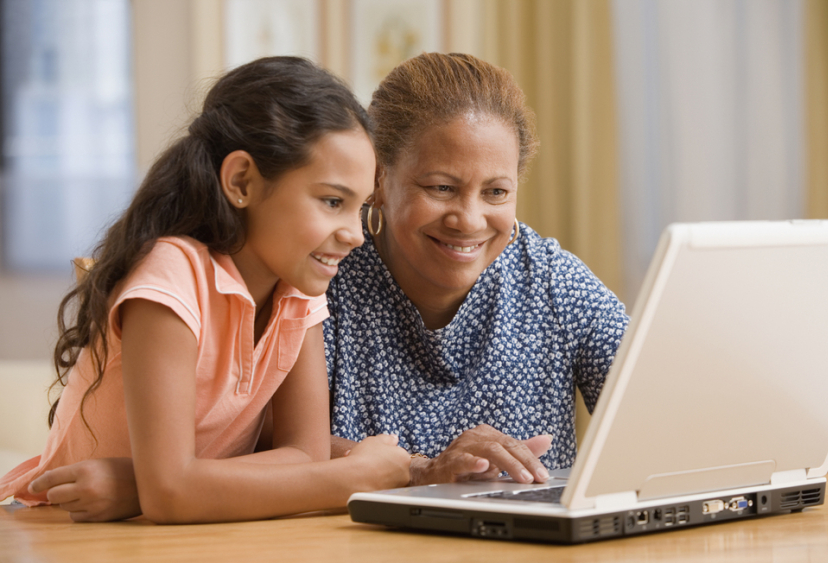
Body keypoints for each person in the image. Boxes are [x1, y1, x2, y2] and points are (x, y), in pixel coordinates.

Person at [0, 56, 409, 523]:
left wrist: (141, 485)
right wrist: (353, 478)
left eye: (360, 208)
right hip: (67, 528)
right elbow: (174, 493)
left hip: (185, 528)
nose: (355, 234)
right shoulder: (171, 278)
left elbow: (305, 456)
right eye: (332, 201)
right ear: (241, 182)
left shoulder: (298, 289)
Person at [325, 52, 629, 486]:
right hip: (355, 549)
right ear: (378, 179)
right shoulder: (325, 277)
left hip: (533, 551)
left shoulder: (554, 283)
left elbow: (652, 415)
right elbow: (273, 442)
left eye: (496, 192)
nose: (468, 220)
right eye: (441, 187)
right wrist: (421, 470)